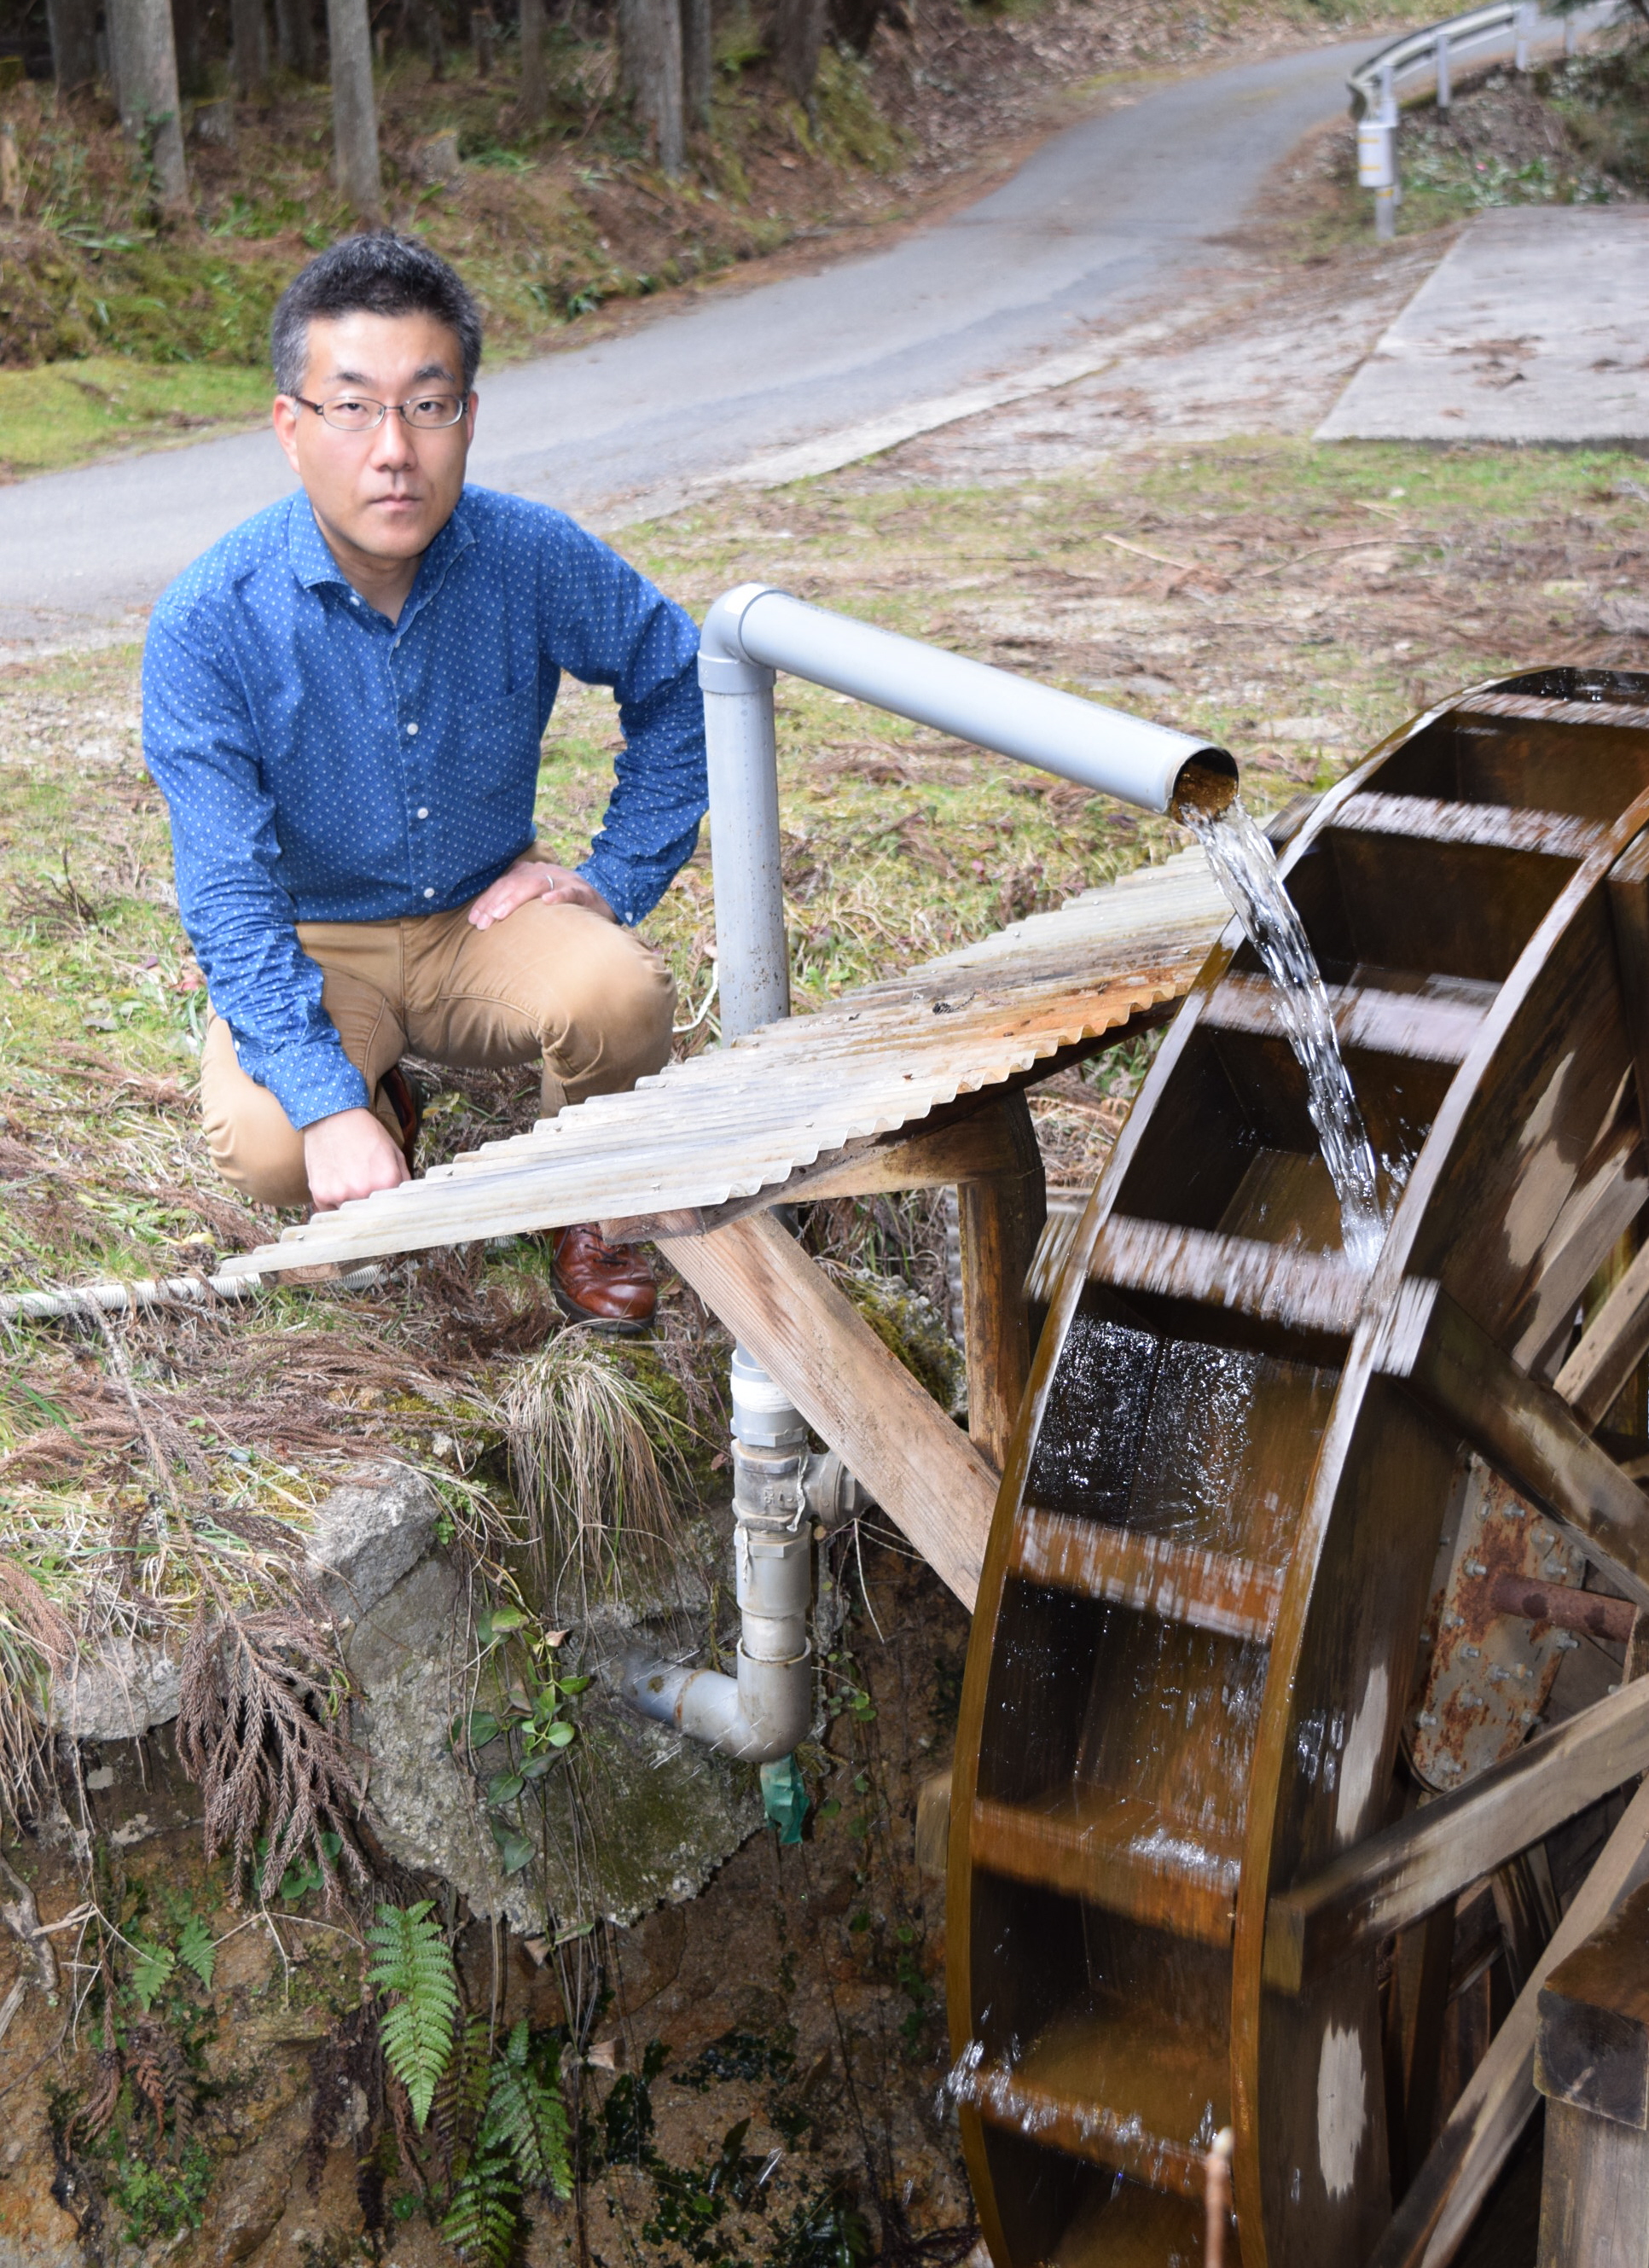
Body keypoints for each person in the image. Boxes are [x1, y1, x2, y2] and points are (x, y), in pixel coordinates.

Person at [142, 232, 710, 1332]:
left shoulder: (529, 554)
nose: (394, 450)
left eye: (427, 406)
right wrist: (326, 1107)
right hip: (317, 939)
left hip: (484, 915)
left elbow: (678, 676)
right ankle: (373, 1095)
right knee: (270, 1146)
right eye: (353, 407)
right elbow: (226, 888)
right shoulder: (210, 619)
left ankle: (590, 1202)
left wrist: (615, 873)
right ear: (290, 426)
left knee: (620, 997)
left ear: (469, 419)